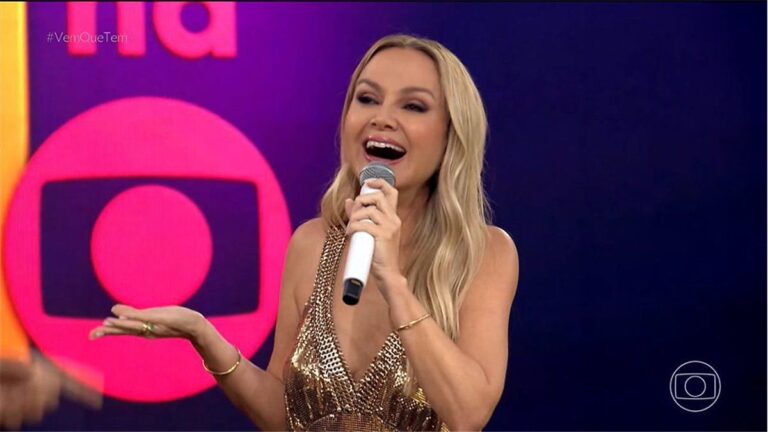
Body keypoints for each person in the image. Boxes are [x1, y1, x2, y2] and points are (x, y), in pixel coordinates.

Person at [89, 33, 519, 431]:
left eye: (413, 106)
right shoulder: (312, 243)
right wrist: (202, 335)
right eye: (367, 99)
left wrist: (393, 282)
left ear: (452, 133)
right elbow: (284, 416)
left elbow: (468, 414)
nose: (382, 118)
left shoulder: (484, 253)